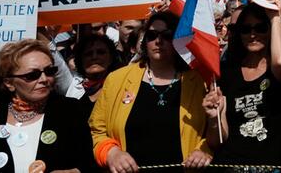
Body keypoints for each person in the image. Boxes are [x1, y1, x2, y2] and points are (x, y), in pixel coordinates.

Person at [89, 11, 213, 172]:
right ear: (144, 40)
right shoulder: (116, 80)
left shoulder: (198, 82)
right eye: (152, 35)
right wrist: (112, 153)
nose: (158, 41)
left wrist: (204, 150)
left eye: (166, 36)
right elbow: (97, 130)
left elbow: (212, 135)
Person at [0, 39, 93, 172]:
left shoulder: (70, 111)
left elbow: (89, 164)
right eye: (32, 75)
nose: (44, 79)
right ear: (9, 83)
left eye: (50, 71)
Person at [204, 2, 281, 166]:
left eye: (260, 27)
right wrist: (214, 119)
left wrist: (275, 17)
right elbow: (217, 141)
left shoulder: (278, 70)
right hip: (233, 165)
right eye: (245, 29)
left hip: (274, 166)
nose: (253, 34)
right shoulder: (225, 74)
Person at [54, 34, 123, 119]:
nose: (94, 57)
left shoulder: (121, 87)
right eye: (88, 54)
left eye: (100, 52)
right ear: (80, 60)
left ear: (110, 58)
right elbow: (52, 52)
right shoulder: (74, 86)